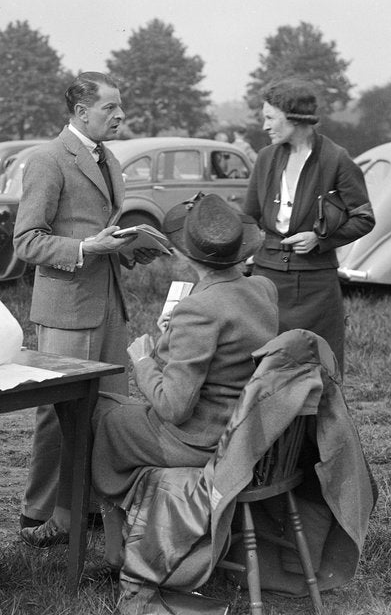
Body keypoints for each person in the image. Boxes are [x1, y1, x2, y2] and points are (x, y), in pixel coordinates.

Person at [89, 192, 278, 580]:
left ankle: (112, 541)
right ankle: (125, 520)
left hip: (203, 441)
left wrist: (142, 361)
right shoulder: (262, 289)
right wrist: (172, 339)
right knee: (110, 408)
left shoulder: (198, 309)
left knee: (99, 414)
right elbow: (227, 358)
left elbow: (174, 407)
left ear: (185, 255)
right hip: (249, 429)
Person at [13, 71, 159, 547]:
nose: (120, 116)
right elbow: (27, 241)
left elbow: (100, 232)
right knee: (60, 416)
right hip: (68, 308)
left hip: (108, 304)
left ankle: (89, 506)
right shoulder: (48, 160)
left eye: (120, 107)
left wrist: (129, 247)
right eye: (110, 108)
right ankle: (39, 513)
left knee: (108, 410)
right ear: (80, 112)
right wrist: (85, 249)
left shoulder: (108, 158)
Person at [242, 77, 374, 375]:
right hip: (268, 282)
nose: (264, 126)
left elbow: (364, 218)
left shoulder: (336, 159)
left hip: (317, 287)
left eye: (270, 118)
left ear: (294, 118)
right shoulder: (265, 158)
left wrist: (319, 238)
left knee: (318, 369)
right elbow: (248, 218)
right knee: (268, 372)